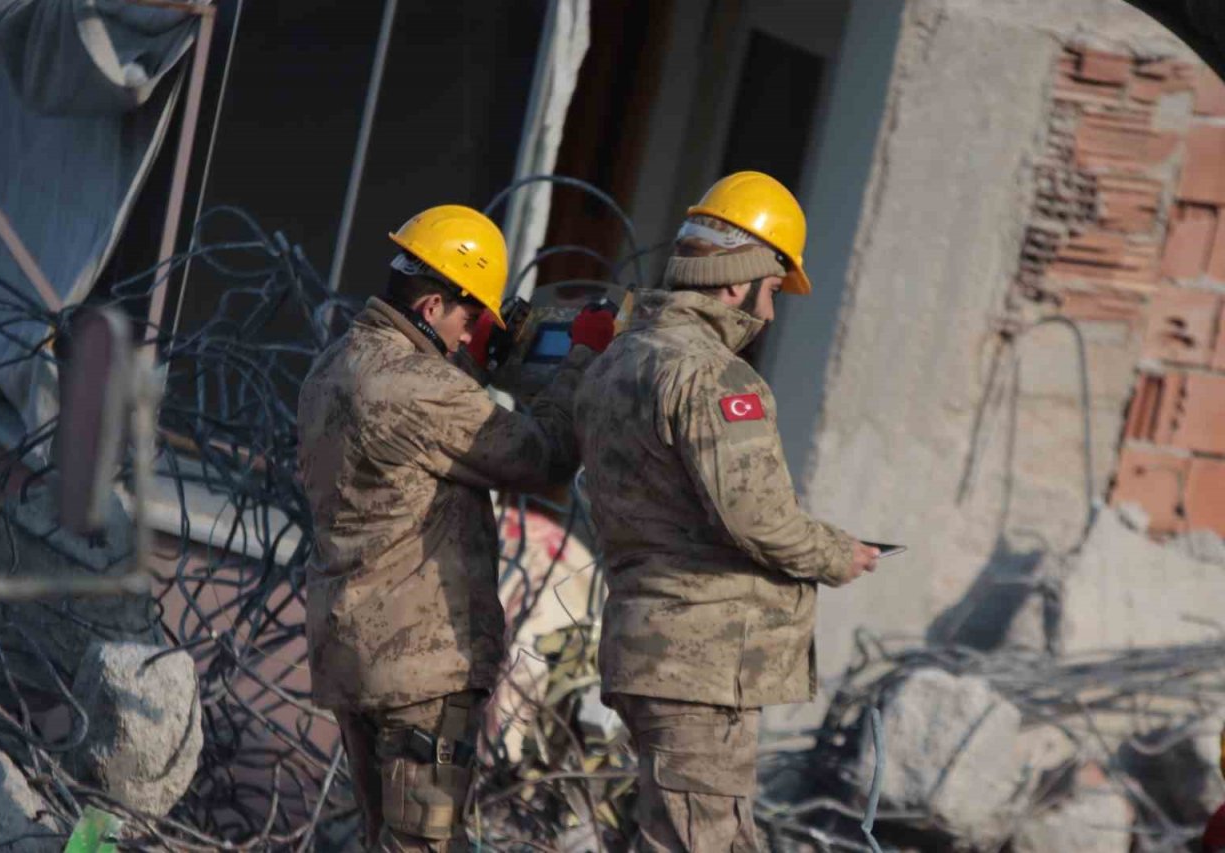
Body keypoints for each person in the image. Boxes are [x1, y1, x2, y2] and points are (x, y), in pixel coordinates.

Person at [574, 172, 880, 850]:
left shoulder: (616, 360)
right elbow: (757, 517)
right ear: (737, 283)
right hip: (700, 667)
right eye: (771, 290)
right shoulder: (711, 375)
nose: (769, 315)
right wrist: (838, 553)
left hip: (648, 650)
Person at [297, 204, 614, 851]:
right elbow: (545, 455)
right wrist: (583, 354)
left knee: (384, 839)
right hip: (419, 667)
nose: (472, 334)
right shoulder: (421, 387)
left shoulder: (336, 364)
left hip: (355, 649)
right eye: (470, 319)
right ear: (433, 305)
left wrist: (475, 364)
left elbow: (415, 442)